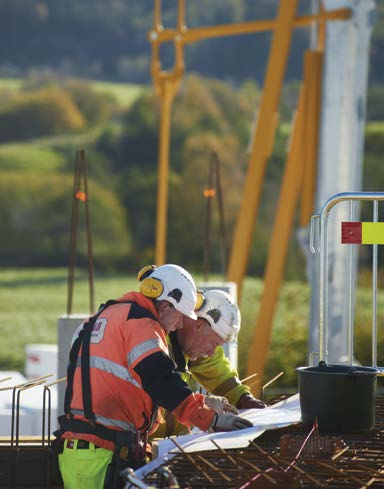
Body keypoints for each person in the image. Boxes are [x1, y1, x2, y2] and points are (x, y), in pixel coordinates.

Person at [57, 264, 252, 489]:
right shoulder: (142, 324)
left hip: (85, 452)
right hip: (101, 455)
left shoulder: (107, 315)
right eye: (181, 317)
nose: (180, 324)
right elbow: (161, 379)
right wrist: (210, 419)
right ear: (166, 306)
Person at [153, 289, 266, 438]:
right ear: (199, 326)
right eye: (214, 344)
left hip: (151, 447)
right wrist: (204, 408)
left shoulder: (187, 339)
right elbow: (161, 398)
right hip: (125, 450)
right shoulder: (154, 344)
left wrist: (243, 398)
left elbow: (216, 369)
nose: (212, 352)